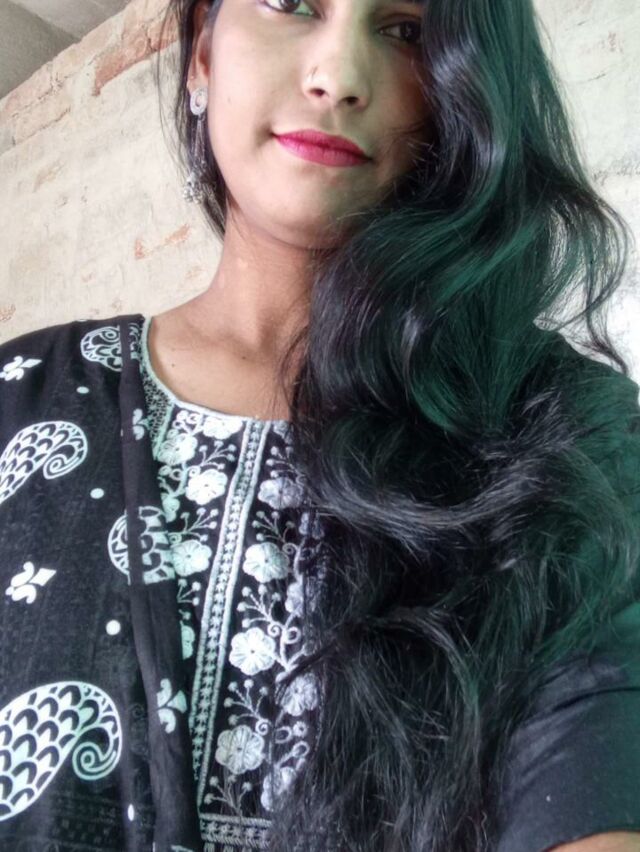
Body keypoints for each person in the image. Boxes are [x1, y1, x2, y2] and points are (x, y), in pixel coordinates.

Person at [1, 0, 639, 850]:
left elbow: (591, 757)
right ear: (201, 56)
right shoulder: (17, 400)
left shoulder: (557, 429)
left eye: (405, 30)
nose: (337, 77)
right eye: (292, 3)